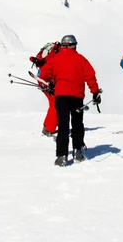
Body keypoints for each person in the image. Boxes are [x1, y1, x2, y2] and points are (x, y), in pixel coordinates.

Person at [40, 34, 101, 166]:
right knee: (77, 124)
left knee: (63, 125)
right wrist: (95, 92)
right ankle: (77, 151)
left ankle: (62, 156)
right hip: (77, 96)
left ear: (62, 45)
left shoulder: (55, 59)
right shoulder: (81, 59)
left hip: (61, 96)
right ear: (74, 45)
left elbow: (44, 74)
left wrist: (51, 82)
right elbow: (90, 76)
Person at [30, 41, 60, 137]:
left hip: (42, 80)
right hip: (47, 81)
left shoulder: (51, 52)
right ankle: (50, 129)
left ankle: (47, 127)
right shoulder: (56, 53)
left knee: (53, 104)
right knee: (56, 105)